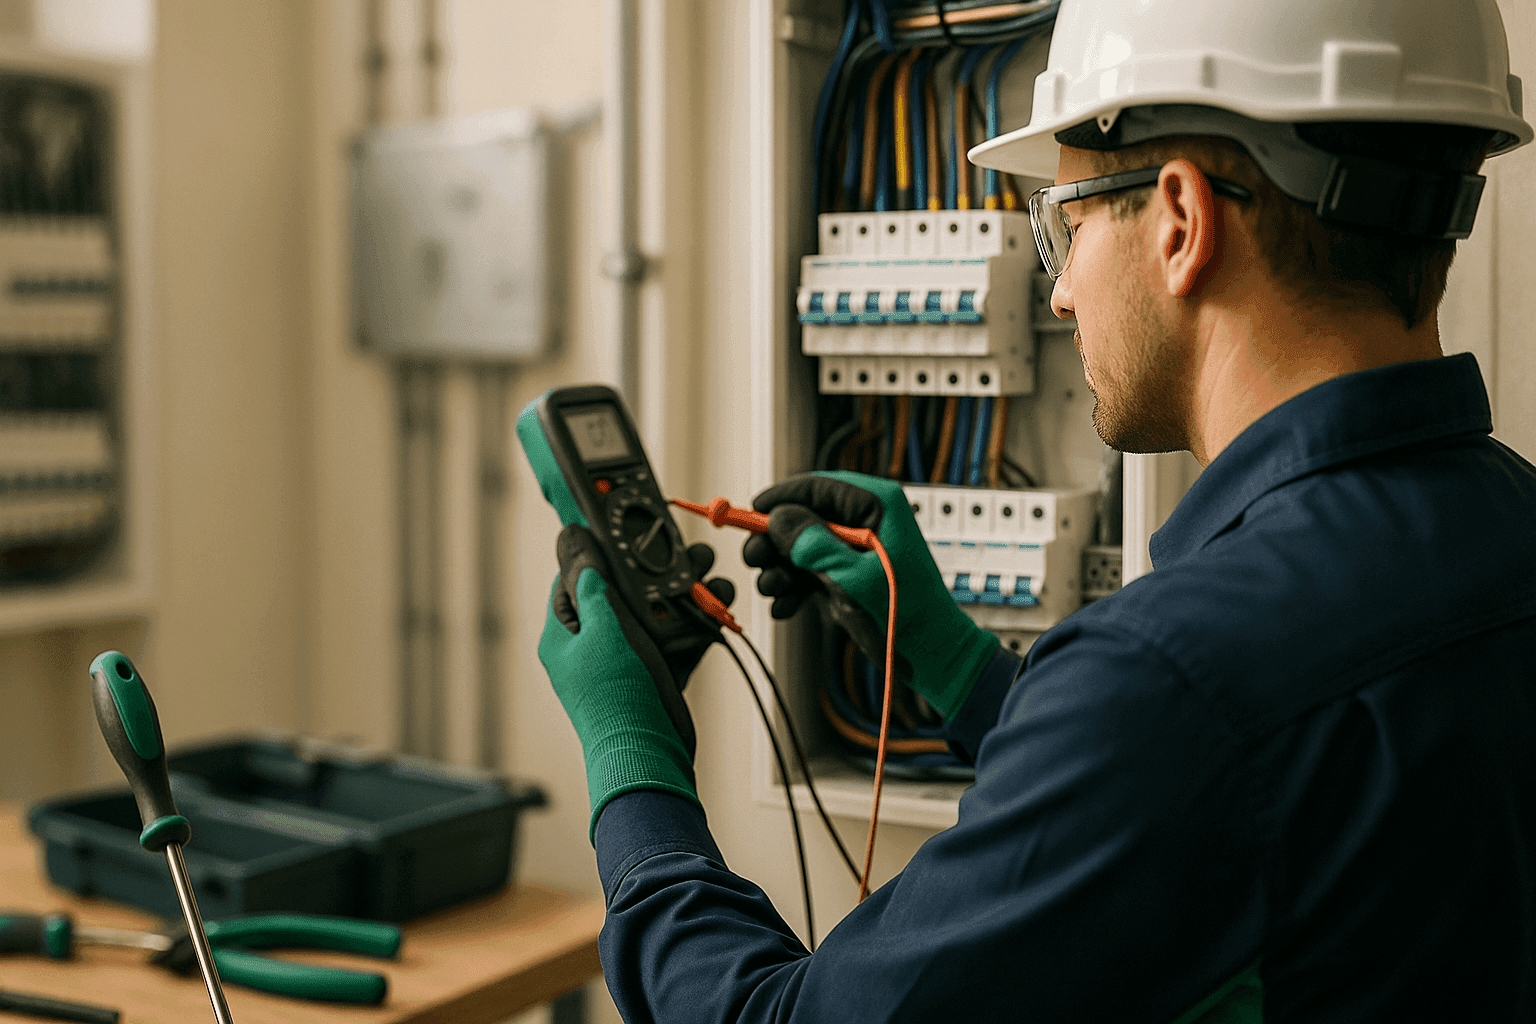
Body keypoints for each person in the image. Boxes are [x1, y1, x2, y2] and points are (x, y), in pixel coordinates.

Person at [535, 0, 1536, 1019]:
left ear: (1181, 222)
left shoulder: (1171, 678)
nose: (1059, 296)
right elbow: (1224, 792)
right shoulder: (1511, 528)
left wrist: (631, 756)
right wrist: (953, 662)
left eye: (1067, 225)